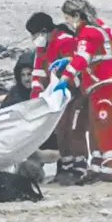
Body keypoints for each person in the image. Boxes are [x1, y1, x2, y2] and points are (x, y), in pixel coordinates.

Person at [50, 0, 112, 184]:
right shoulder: (98, 28)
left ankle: (109, 165)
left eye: (68, 17)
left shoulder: (89, 32)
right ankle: (97, 163)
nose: (67, 22)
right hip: (100, 84)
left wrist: (66, 76)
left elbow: (83, 58)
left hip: (104, 83)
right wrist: (68, 60)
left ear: (76, 15)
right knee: (94, 124)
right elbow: (93, 54)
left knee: (102, 123)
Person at [26, 11, 89, 185]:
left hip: (74, 93)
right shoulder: (45, 47)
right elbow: (39, 73)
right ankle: (66, 167)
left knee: (73, 130)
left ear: (44, 30)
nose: (34, 38)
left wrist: (69, 86)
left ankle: (80, 167)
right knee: (61, 130)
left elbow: (75, 65)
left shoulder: (64, 41)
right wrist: (35, 98)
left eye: (35, 34)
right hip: (59, 96)